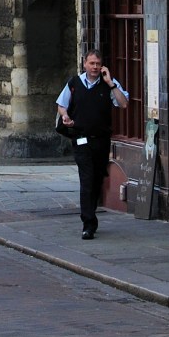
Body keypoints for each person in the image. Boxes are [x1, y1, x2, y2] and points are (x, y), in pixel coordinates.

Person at [56, 50, 128, 240]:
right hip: (81, 139)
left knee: (96, 179)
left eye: (98, 64)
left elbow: (123, 104)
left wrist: (111, 83)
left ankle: (90, 213)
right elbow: (61, 104)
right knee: (86, 180)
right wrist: (65, 116)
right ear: (85, 64)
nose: (95, 67)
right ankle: (88, 224)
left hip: (101, 140)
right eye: (92, 63)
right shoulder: (74, 83)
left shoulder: (109, 85)